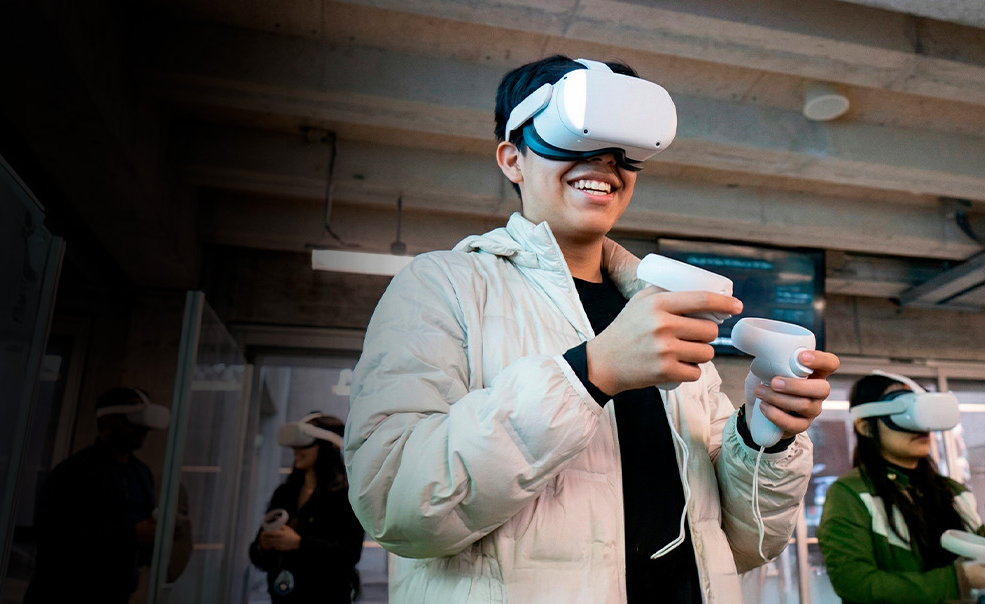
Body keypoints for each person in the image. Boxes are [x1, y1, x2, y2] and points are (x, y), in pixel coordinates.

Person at [344, 55, 841, 603]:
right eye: (575, 137)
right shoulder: (443, 286)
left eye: (624, 150)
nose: (605, 161)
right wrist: (591, 373)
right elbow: (394, 506)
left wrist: (764, 436)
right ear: (512, 159)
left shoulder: (660, 308)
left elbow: (746, 543)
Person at [818, 374, 985, 603]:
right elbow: (855, 583)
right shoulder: (851, 494)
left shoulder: (954, 492)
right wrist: (957, 580)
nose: (919, 425)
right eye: (903, 411)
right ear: (865, 427)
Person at [26, 387, 191, 604]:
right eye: (133, 420)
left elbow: (140, 547)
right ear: (107, 420)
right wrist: (131, 536)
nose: (143, 429)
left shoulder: (141, 474)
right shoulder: (75, 471)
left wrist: (161, 534)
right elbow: (56, 540)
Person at [250, 413, 365, 603]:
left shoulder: (344, 496)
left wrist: (299, 544)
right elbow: (257, 555)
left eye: (304, 444)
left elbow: (350, 553)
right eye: (295, 445)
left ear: (326, 447)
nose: (296, 451)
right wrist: (264, 545)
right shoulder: (285, 493)